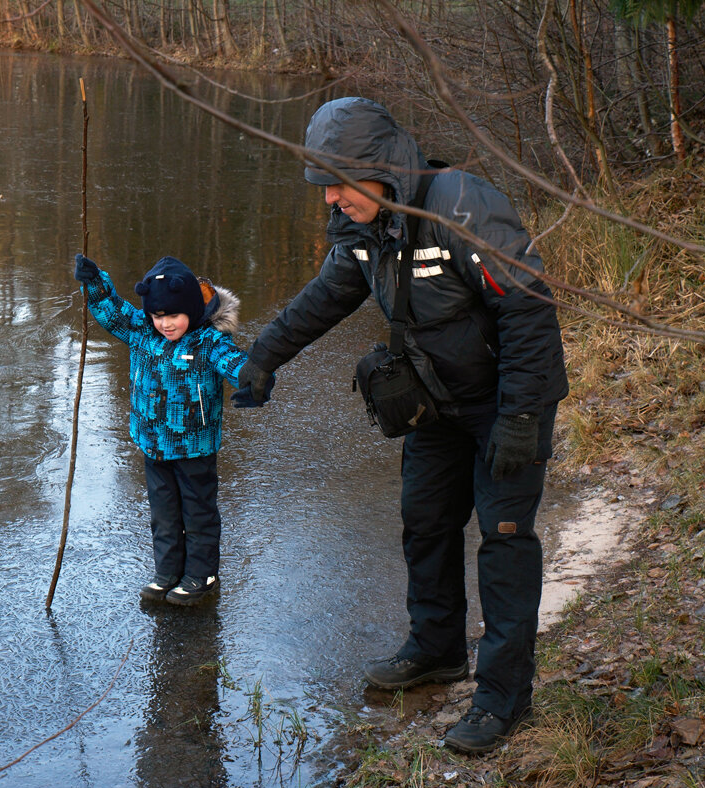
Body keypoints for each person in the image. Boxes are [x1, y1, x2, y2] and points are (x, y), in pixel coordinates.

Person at [235, 97, 568, 754]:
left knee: (503, 541)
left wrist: (523, 417)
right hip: (437, 401)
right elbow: (327, 295)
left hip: (506, 400)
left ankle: (503, 697)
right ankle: (436, 647)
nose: (330, 197)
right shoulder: (368, 228)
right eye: (322, 184)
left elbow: (529, 312)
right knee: (425, 522)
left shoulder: (459, 206)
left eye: (339, 181)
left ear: (381, 168)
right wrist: (263, 357)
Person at [74, 253, 270, 606]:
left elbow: (233, 361)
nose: (165, 324)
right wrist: (95, 284)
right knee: (163, 513)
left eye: (174, 316)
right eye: (158, 315)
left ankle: (201, 575)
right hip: (154, 444)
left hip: (195, 446)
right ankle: (167, 572)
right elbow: (113, 312)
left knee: (197, 513)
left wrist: (250, 377)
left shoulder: (207, 341)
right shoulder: (142, 332)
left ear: (192, 311)